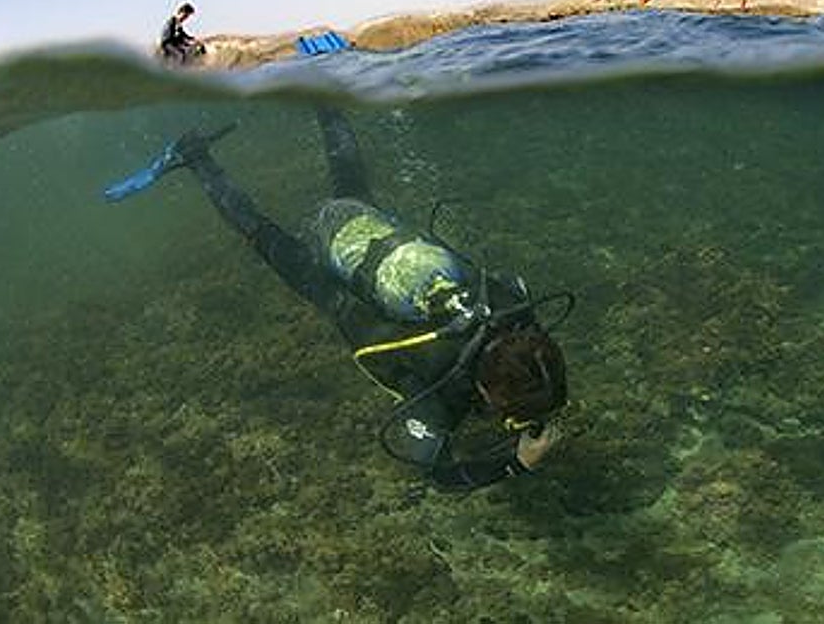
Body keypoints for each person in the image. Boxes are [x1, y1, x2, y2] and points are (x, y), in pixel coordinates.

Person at [159, 109, 567, 491]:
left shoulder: (514, 310)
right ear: (488, 393)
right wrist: (516, 464)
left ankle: (325, 100)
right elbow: (438, 476)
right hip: (338, 257)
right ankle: (195, 158)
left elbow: (508, 284)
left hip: (382, 238)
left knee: (351, 187)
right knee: (262, 235)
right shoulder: (434, 389)